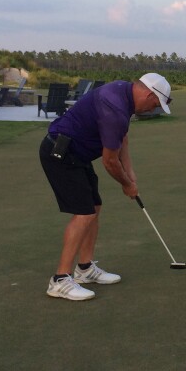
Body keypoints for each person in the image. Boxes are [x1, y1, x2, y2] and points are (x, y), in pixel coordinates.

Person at [39, 73, 171, 301]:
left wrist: (130, 172)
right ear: (149, 94)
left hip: (76, 155)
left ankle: (85, 268)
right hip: (60, 153)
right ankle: (59, 280)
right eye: (155, 104)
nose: (153, 109)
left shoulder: (124, 92)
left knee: (94, 207)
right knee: (84, 212)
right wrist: (127, 185)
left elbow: (123, 138)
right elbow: (109, 161)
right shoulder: (115, 107)